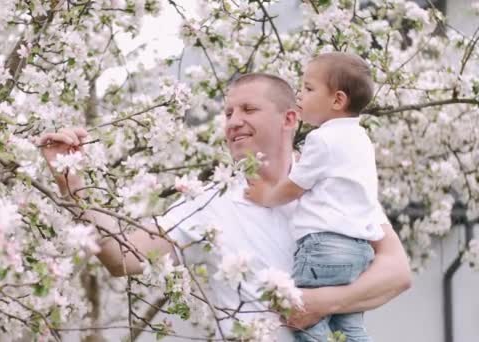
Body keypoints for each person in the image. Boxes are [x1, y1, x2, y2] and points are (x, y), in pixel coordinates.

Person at [37, 72, 411, 341]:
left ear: (289, 118)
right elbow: (123, 257)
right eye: (228, 113)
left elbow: (396, 272)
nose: (234, 122)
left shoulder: (334, 182)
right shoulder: (209, 202)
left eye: (248, 109)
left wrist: (315, 303)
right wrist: (72, 183)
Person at [245, 53, 384, 342]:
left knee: (301, 316)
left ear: (337, 100)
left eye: (308, 89)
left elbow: (296, 185)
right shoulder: (361, 139)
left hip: (324, 247)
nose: (300, 94)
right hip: (358, 251)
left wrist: (267, 195)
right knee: (349, 328)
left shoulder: (323, 139)